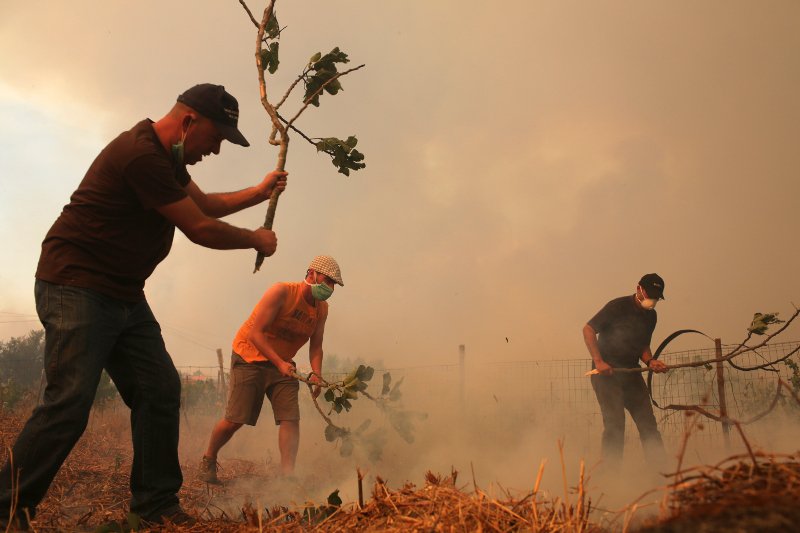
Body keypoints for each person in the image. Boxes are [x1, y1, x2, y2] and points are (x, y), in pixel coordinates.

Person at [0, 83, 288, 529]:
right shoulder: (142, 155)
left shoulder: (169, 160)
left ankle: (155, 505)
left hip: (121, 292)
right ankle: (6, 508)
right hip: (76, 284)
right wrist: (255, 239)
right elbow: (199, 227)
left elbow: (206, 204)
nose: (215, 150)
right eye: (216, 137)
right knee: (69, 403)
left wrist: (259, 192)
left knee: (159, 389)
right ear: (189, 121)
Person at [199, 255, 343, 484]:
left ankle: (287, 477)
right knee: (235, 420)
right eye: (327, 281)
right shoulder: (282, 292)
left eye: (333, 284)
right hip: (249, 357)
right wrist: (279, 363)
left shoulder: (322, 309)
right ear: (311, 274)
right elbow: (256, 333)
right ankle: (209, 457)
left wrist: (317, 373)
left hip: (283, 364)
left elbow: (316, 346)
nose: (330, 288)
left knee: (290, 419)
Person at [582, 273, 669, 465]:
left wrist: (651, 361)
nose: (652, 300)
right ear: (639, 288)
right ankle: (610, 478)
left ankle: (661, 471)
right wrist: (599, 361)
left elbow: (643, 346)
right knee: (615, 425)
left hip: (631, 372)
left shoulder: (651, 316)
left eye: (656, 297)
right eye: (650, 294)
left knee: (648, 423)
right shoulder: (617, 307)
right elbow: (588, 329)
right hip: (606, 374)